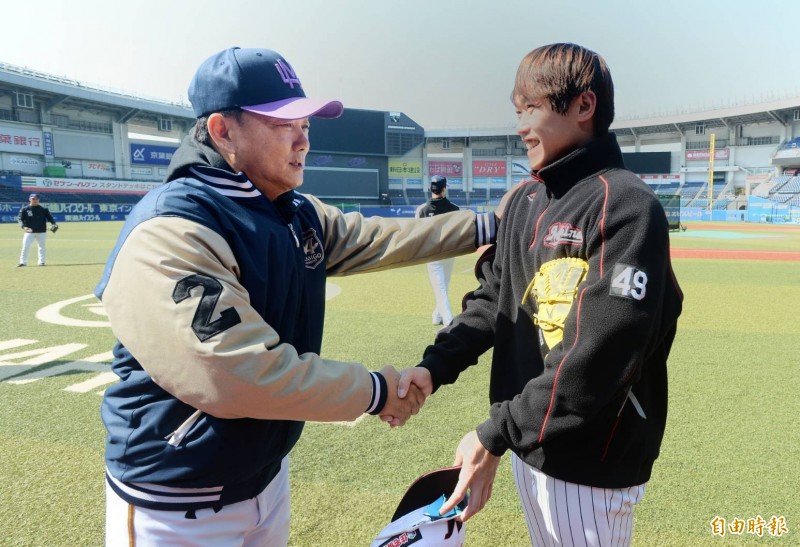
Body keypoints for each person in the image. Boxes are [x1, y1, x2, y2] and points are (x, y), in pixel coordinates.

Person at [95, 46, 497, 546]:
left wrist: (492, 223)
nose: (303, 137)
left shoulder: (291, 209)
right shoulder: (174, 227)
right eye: (283, 123)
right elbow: (237, 371)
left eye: (306, 123)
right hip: (176, 497)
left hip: (265, 476)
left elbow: (381, 237)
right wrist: (376, 391)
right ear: (223, 130)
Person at [399, 43, 684, 546]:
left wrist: (494, 434)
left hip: (592, 458)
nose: (520, 125)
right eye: (518, 111)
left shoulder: (627, 206)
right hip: (529, 444)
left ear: (583, 106)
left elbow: (596, 354)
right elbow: (494, 301)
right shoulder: (529, 200)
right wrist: (433, 367)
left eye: (531, 108)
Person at [416, 175, 461, 327]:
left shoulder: (421, 210)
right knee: (443, 286)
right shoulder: (455, 209)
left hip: (432, 254)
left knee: (440, 287)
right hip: (449, 253)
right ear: (444, 189)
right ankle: (439, 317)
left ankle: (448, 321)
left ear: (430, 189)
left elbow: (418, 234)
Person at [16, 193, 57, 267]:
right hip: (29, 231)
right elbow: (20, 219)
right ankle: (23, 262)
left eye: (36, 199)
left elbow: (50, 218)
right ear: (30, 199)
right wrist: (23, 227)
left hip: (41, 231)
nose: (35, 200)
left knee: (41, 247)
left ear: (39, 200)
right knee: (26, 246)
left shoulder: (44, 210)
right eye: (33, 199)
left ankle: (41, 262)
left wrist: (54, 223)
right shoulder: (25, 209)